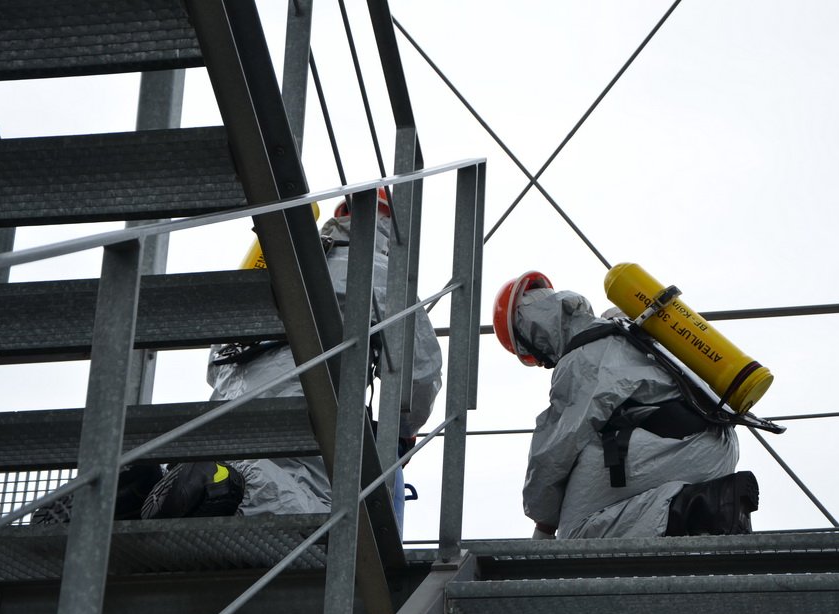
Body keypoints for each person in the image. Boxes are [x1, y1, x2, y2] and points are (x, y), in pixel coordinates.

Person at [142, 189, 443, 531]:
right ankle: (215, 483)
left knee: (270, 476)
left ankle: (141, 486)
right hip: (310, 413)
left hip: (226, 413)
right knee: (318, 513)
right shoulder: (380, 270)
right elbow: (420, 371)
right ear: (393, 231)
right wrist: (400, 431)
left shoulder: (275, 263)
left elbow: (217, 360)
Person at [493, 271, 758, 540]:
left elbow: (557, 447)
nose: (541, 363)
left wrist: (544, 521)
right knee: (616, 512)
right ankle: (703, 510)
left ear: (534, 335)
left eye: (533, 356)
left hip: (680, 446)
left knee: (576, 533)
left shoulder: (583, 357)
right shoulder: (625, 328)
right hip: (712, 440)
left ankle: (709, 507)